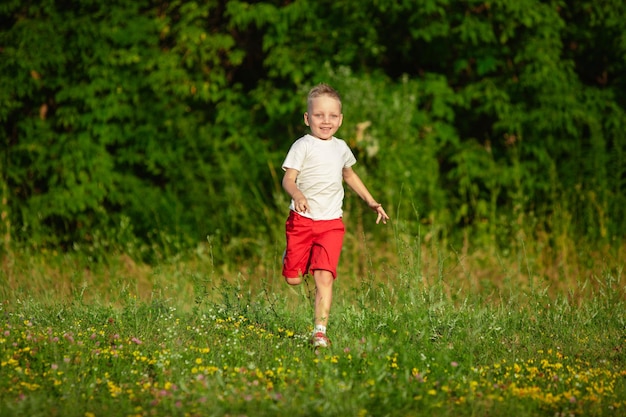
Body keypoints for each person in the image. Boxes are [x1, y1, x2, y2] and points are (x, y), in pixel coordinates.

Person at [281, 83, 389, 348]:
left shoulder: (341, 148)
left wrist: (371, 201)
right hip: (302, 221)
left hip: (331, 223)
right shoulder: (302, 146)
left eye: (332, 116)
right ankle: (292, 257)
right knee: (293, 279)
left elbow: (349, 175)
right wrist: (297, 195)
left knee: (324, 276)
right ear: (307, 119)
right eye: (319, 115)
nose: (325, 121)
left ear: (340, 120)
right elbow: (288, 179)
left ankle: (319, 332)